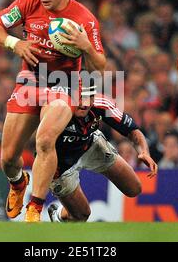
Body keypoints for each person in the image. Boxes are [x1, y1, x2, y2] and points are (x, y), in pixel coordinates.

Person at [0, 0, 106, 222]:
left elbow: (99, 67)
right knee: (8, 159)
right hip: (30, 81)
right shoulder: (28, 4)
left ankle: (34, 208)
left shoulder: (85, 19)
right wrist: (15, 43)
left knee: (45, 140)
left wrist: (86, 45)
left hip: (65, 84)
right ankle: (18, 182)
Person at [47, 84, 157, 222]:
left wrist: (144, 152)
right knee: (81, 216)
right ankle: (57, 215)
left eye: (89, 97)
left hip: (91, 145)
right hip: (60, 163)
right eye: (80, 97)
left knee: (134, 188)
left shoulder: (101, 104)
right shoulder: (54, 107)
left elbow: (133, 131)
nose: (85, 103)